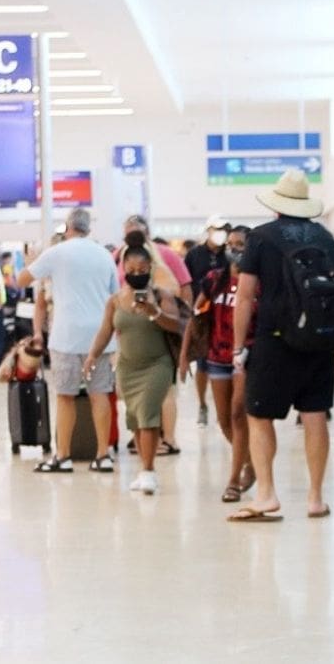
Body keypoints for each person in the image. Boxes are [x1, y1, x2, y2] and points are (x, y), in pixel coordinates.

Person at [229, 169, 334, 521]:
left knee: (260, 415)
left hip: (274, 341)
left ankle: (266, 494)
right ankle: (315, 498)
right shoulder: (326, 238)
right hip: (319, 341)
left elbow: (244, 297)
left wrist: (237, 347)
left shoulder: (261, 237)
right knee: (315, 415)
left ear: (277, 205)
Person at [15, 210, 119, 474]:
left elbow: (21, 280)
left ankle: (63, 456)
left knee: (65, 397)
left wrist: (32, 261)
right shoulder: (104, 255)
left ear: (68, 227)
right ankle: (103, 455)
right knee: (100, 394)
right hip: (100, 337)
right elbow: (115, 296)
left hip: (67, 337)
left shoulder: (56, 252)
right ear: (88, 229)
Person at [84, 243, 181, 493]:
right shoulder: (115, 300)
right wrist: (93, 355)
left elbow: (176, 325)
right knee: (136, 418)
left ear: (151, 269)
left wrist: (154, 312)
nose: (136, 273)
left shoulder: (161, 295)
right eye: (131, 269)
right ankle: (143, 470)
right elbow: (106, 330)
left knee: (148, 414)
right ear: (123, 270)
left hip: (158, 364)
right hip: (128, 367)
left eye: (142, 269)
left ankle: (148, 471)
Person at [181, 226, 254, 503]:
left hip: (247, 356)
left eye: (241, 244)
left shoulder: (259, 281)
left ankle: (233, 480)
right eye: (231, 244)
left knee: (238, 413)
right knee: (224, 420)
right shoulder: (214, 279)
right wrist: (184, 356)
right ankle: (251, 461)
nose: (235, 249)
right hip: (217, 356)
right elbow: (196, 316)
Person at [119, 215, 192, 456]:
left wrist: (184, 325)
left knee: (166, 389)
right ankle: (143, 436)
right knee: (137, 392)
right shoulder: (121, 257)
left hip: (162, 330)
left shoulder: (165, 256)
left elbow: (184, 289)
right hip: (132, 332)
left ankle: (168, 437)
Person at [184, 215, 232, 428]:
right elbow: (186, 283)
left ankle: (226, 406)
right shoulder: (195, 255)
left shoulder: (229, 254)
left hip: (227, 314)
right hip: (204, 316)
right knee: (202, 363)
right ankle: (203, 404)